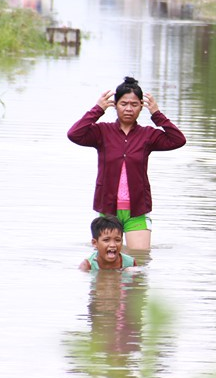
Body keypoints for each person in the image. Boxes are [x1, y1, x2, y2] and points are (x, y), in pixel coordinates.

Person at [68, 76, 186, 250]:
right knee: (106, 260)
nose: (129, 109)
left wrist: (157, 115)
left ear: (141, 106)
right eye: (123, 104)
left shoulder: (148, 135)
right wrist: (97, 110)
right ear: (115, 105)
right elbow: (74, 134)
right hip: (107, 209)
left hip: (137, 209)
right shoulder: (102, 132)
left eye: (134, 104)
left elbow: (178, 140)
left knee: (139, 260)